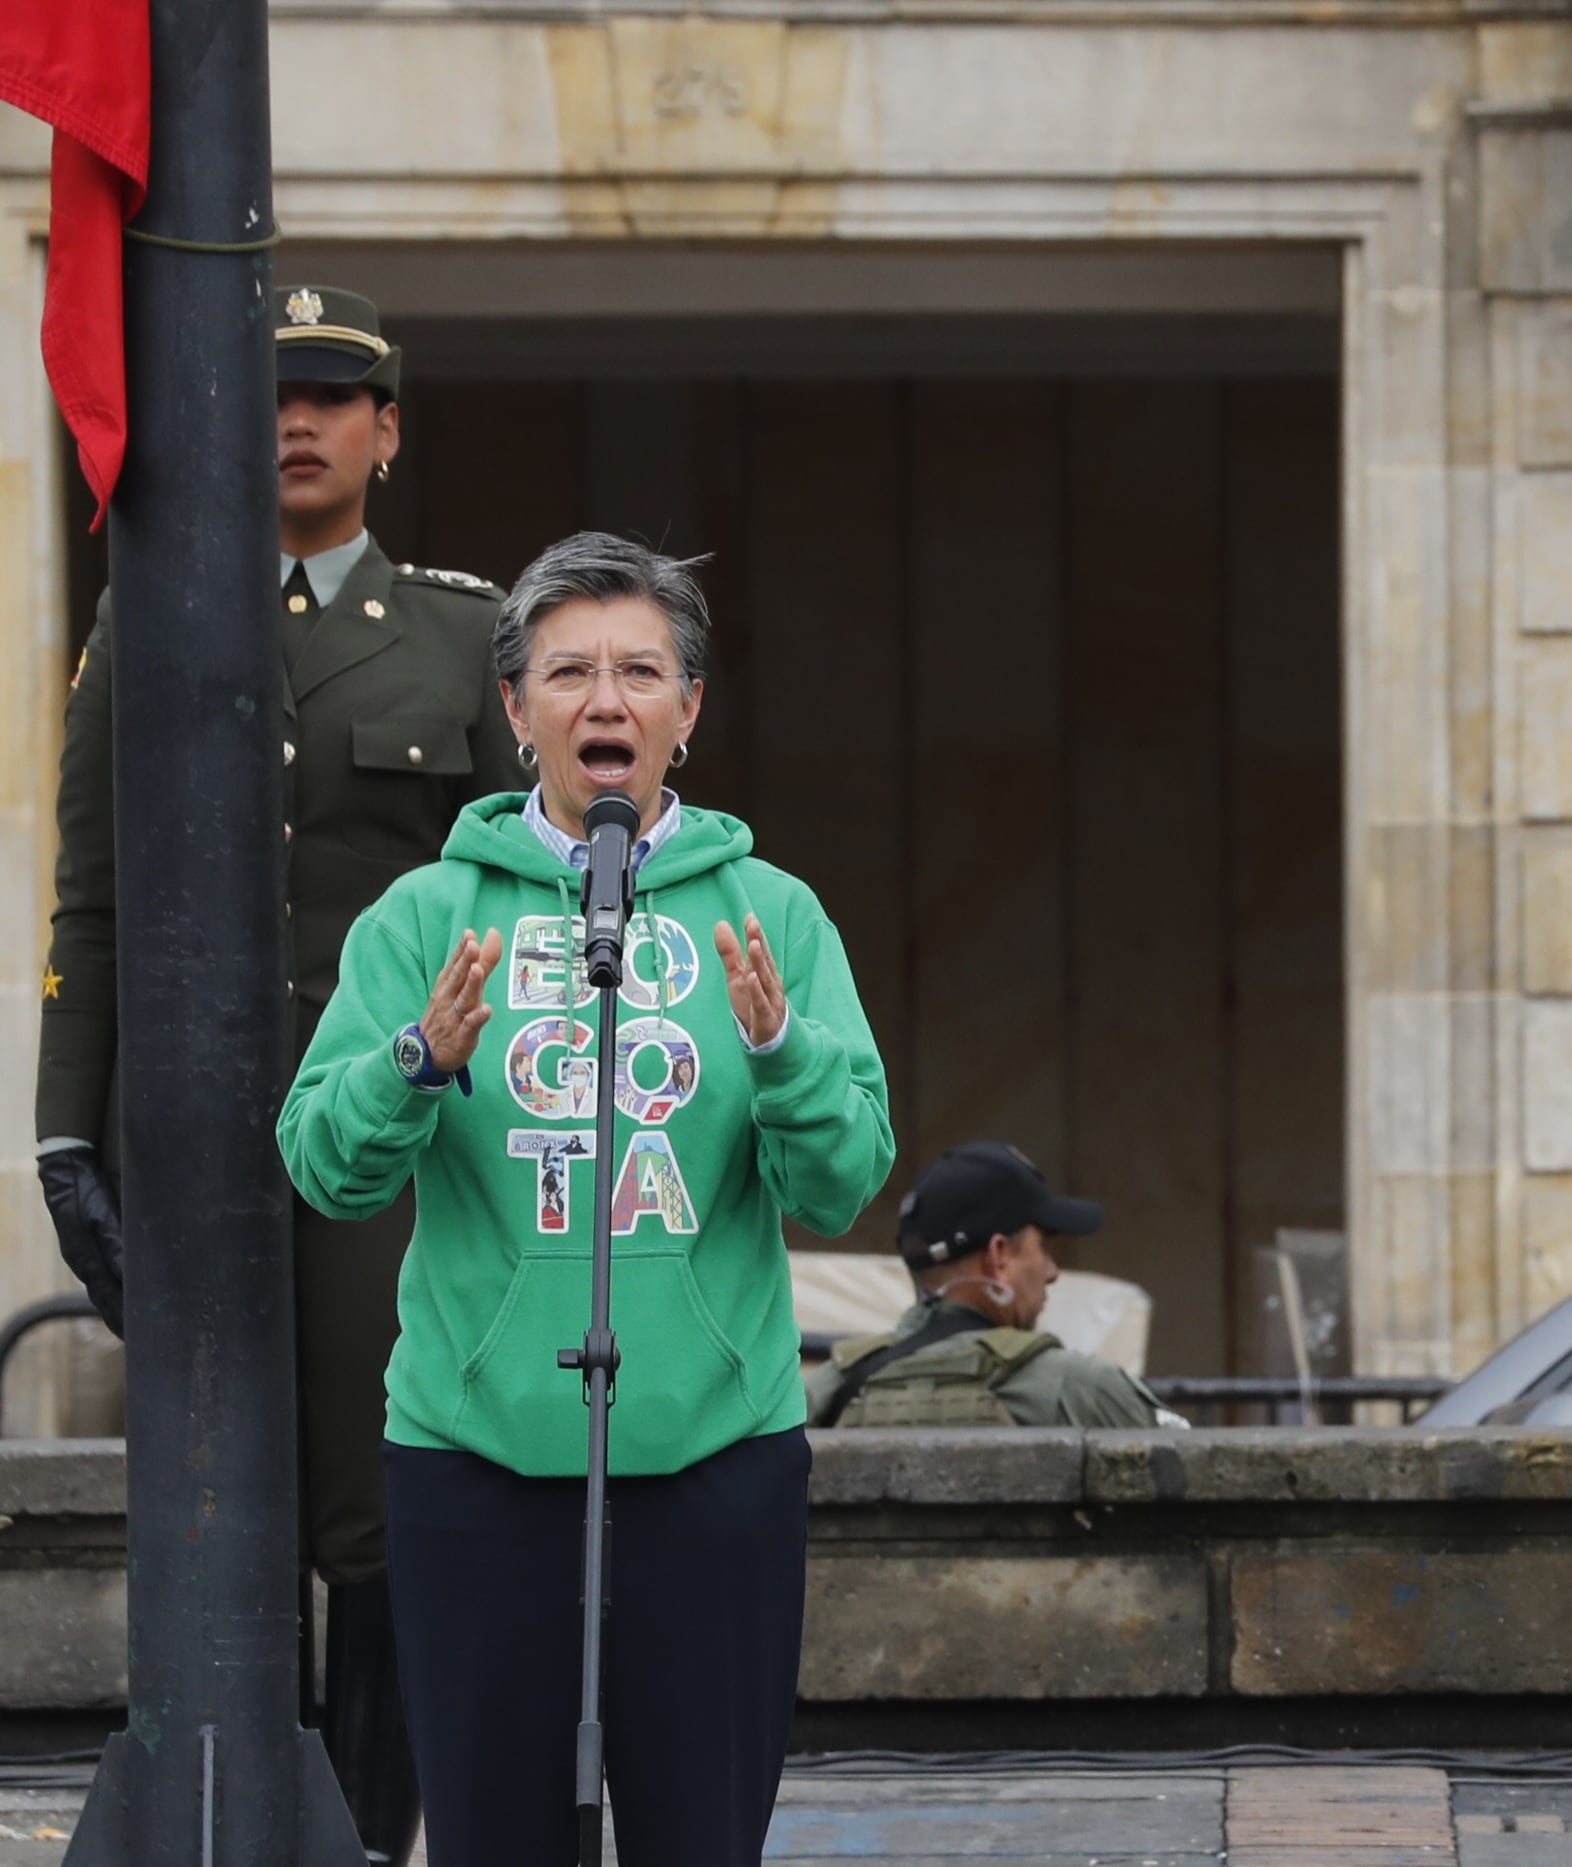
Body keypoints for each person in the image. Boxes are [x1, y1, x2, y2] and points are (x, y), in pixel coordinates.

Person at [277, 532, 895, 1865]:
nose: (604, 700)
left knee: (701, 1838)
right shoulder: (424, 916)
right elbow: (324, 1162)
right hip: (474, 1463)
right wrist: (415, 1060)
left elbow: (845, 1181)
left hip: (715, 1459)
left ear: (689, 707)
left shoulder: (769, 916)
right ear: (514, 710)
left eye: (639, 669)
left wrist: (784, 1055)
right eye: (566, 671)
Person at [35, 284, 510, 1859]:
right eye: (266, 394)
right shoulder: (149, 611)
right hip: (189, 1139)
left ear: (388, 427)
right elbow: (91, 894)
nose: (294, 421)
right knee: (213, 1496)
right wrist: (59, 1138)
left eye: (330, 394)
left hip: (396, 1139)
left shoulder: (465, 635)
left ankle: (365, 1831)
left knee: (378, 1501)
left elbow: (516, 894)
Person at [812, 1142, 1171, 1429]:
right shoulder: (1082, 1388)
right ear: (998, 1255)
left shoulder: (825, 1389)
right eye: (1041, 1248)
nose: (1051, 1272)